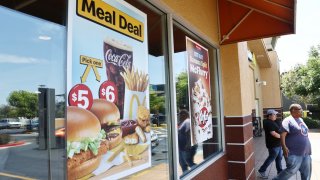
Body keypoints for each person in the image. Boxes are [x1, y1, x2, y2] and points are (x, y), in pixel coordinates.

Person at [273, 104, 312, 180]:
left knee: (307, 172)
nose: (302, 110)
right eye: (300, 109)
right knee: (291, 170)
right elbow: (282, 135)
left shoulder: (300, 120)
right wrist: (284, 148)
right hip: (294, 152)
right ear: (293, 110)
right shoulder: (287, 120)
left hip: (306, 151)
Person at [258, 109, 283, 179]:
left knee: (279, 158)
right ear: (269, 115)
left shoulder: (273, 121)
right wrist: (282, 137)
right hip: (273, 145)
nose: (276, 115)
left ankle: (280, 171)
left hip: (278, 144)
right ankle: (262, 170)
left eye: (275, 114)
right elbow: (273, 133)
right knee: (271, 158)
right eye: (274, 114)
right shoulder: (269, 123)